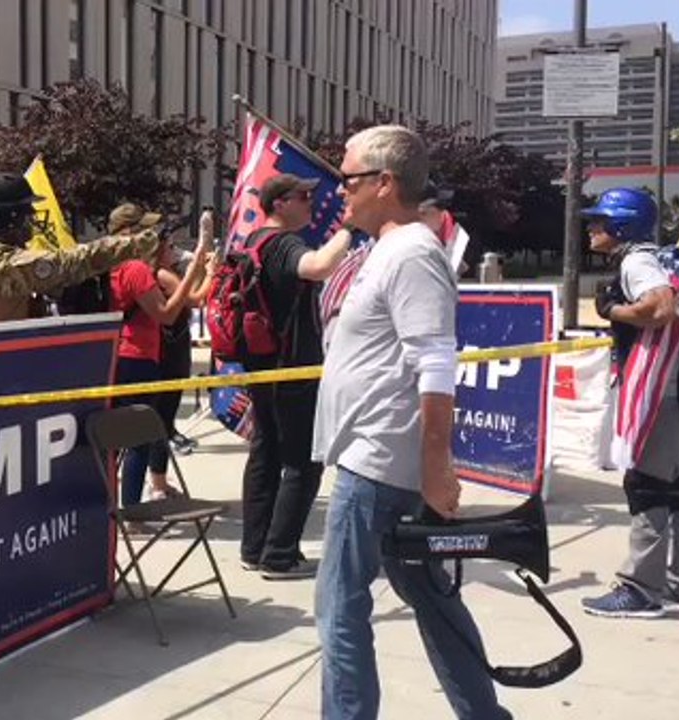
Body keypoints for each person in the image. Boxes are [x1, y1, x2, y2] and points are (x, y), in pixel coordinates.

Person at [312, 125, 512, 719]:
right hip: (379, 458)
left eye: (348, 179)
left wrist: (435, 467)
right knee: (431, 596)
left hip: (379, 463)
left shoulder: (412, 255)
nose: (339, 191)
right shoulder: (388, 249)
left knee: (340, 607)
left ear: (384, 182)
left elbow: (437, 366)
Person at [581, 187, 679, 618]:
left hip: (662, 394)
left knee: (647, 486)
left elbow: (659, 308)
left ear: (622, 225)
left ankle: (640, 589)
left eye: (600, 219)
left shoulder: (637, 262)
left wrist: (613, 310)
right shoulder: (663, 258)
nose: (591, 227)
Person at [239, 173, 353, 580]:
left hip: (263, 364)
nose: (311, 202)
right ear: (279, 204)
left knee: (266, 454)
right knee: (304, 461)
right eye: (303, 196)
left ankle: (255, 549)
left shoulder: (253, 241)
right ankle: (279, 556)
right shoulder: (283, 243)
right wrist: (350, 227)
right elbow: (318, 267)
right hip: (290, 366)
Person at [0, 173, 159, 323]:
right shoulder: (6, 266)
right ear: (10, 219)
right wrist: (139, 242)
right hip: (11, 366)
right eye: (26, 214)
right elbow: (77, 261)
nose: (31, 221)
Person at [107, 203, 211, 507]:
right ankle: (132, 511)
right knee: (138, 440)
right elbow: (166, 314)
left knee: (113, 441)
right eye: (145, 230)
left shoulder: (108, 265)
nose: (152, 236)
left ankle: (110, 509)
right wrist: (194, 269)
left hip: (114, 354)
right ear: (130, 233)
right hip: (137, 357)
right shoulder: (136, 268)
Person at [155, 217, 218, 455]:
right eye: (170, 246)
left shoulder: (169, 271)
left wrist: (200, 263)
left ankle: (168, 431)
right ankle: (165, 437)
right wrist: (211, 273)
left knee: (174, 389)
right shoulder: (163, 274)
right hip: (170, 340)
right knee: (169, 393)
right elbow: (196, 299)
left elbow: (193, 287)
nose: (176, 250)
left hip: (177, 337)